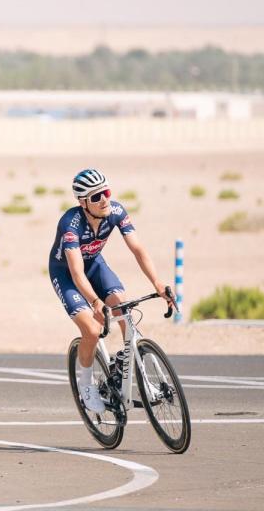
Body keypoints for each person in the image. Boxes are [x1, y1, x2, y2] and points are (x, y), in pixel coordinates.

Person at [48, 169, 172, 414]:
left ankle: (140, 378)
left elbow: (138, 249)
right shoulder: (70, 224)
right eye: (96, 197)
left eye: (106, 192)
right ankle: (86, 386)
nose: (104, 199)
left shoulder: (115, 211)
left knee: (123, 309)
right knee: (92, 331)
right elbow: (76, 272)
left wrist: (157, 284)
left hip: (94, 265)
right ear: (83, 203)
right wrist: (94, 301)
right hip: (66, 275)